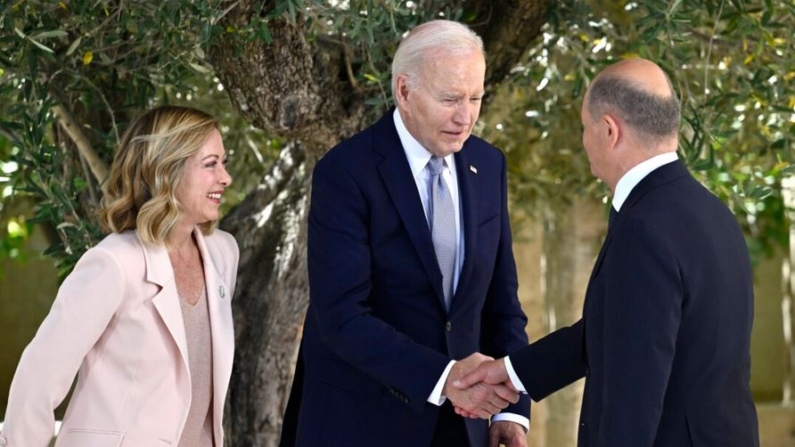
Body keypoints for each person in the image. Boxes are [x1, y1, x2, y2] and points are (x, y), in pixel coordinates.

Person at [454, 58, 760, 446]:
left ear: (610, 130)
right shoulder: (711, 212)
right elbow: (623, 328)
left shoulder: (643, 229)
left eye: (585, 127)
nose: (583, 141)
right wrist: (511, 371)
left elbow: (633, 394)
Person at [280, 19, 530, 447]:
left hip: (463, 429)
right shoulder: (344, 173)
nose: (465, 116)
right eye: (450, 98)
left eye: (475, 98)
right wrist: (443, 377)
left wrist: (511, 409)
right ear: (404, 91)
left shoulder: (489, 165)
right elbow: (342, 315)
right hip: (360, 425)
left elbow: (500, 305)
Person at [0, 105, 239, 447]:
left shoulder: (222, 254)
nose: (225, 177)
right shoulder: (113, 263)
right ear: (167, 171)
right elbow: (38, 378)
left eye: (224, 162)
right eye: (210, 164)